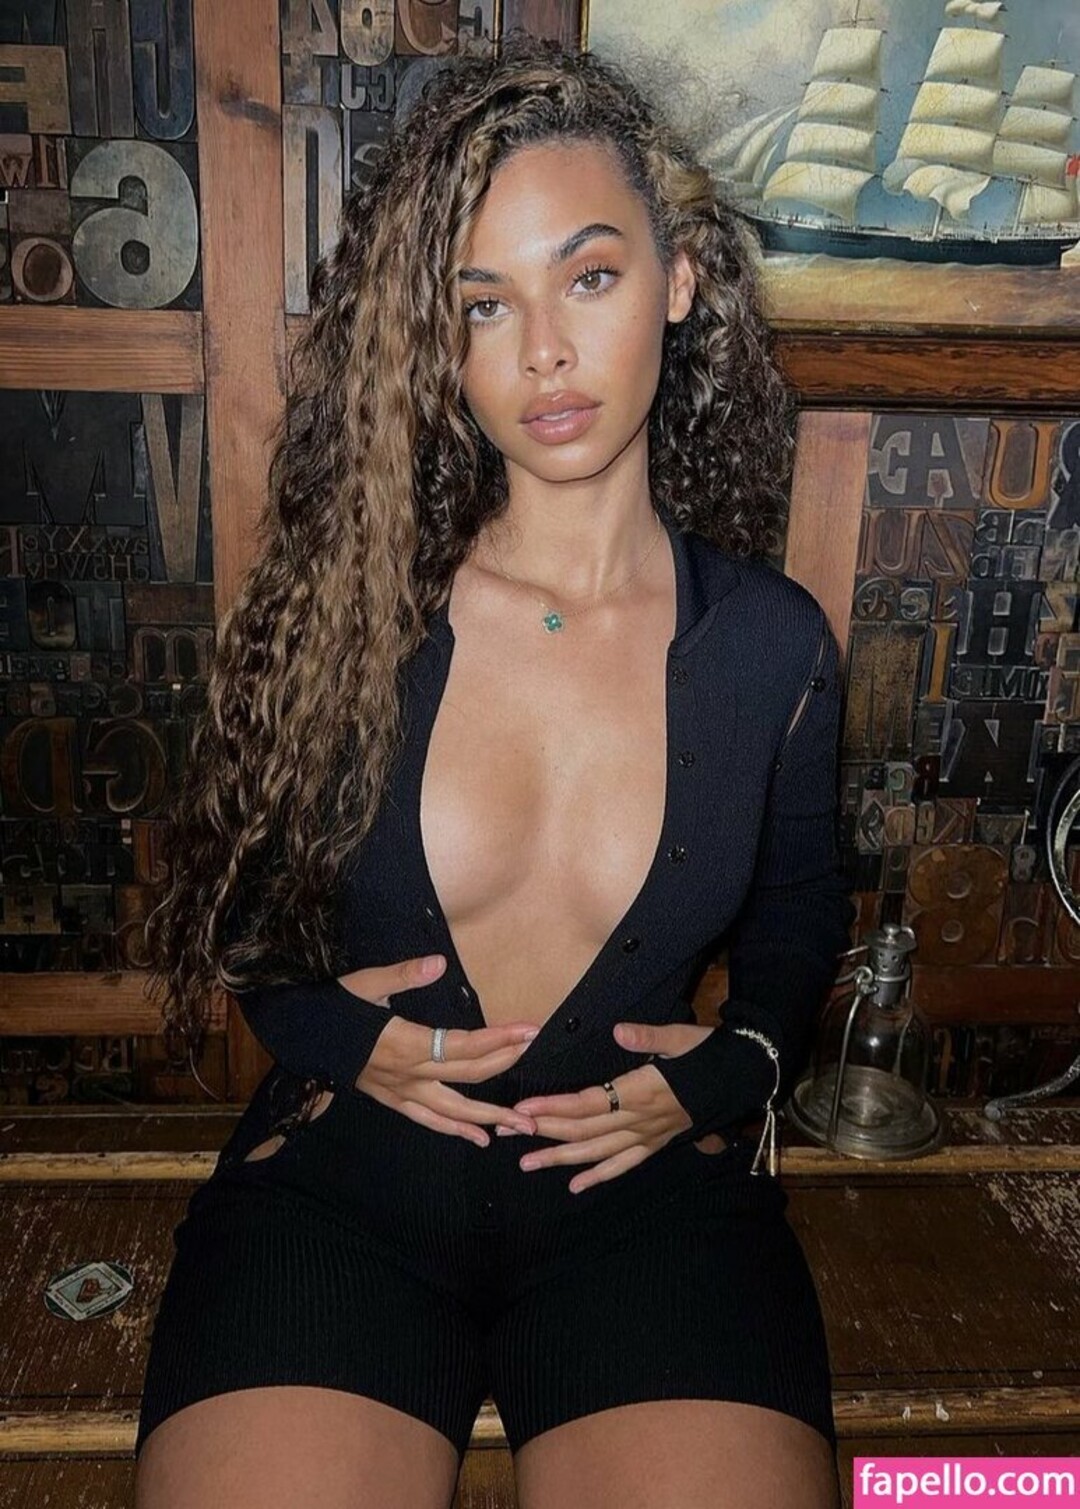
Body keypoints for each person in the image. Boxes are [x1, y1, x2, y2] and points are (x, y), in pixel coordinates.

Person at [135, 34, 855, 1509]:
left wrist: (736, 1067)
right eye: (484, 303)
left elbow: (800, 915)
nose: (542, 353)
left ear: (680, 281)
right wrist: (337, 1040)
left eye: (588, 277)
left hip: (641, 1202)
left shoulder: (773, 649)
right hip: (349, 1189)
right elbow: (245, 916)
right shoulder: (358, 609)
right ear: (440, 339)